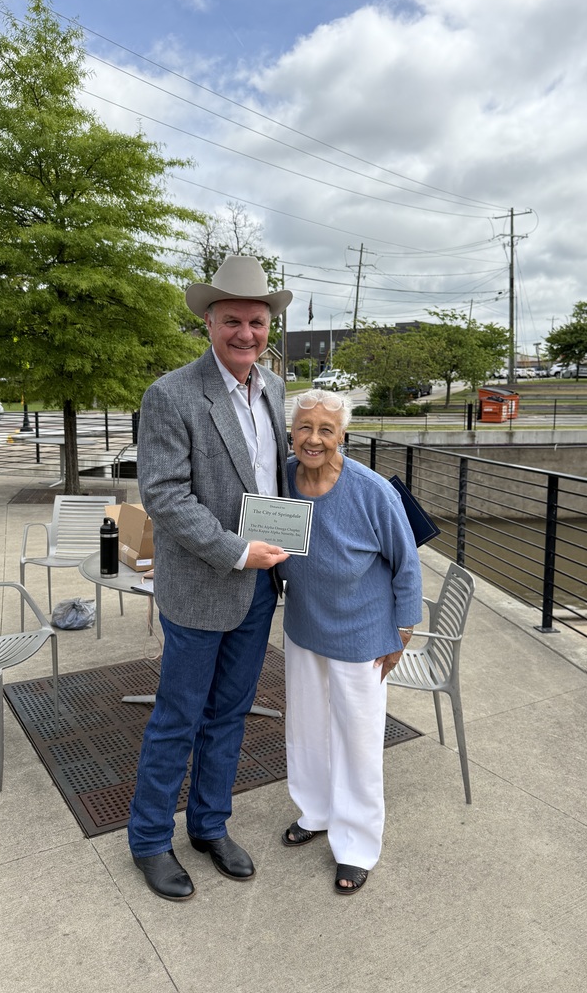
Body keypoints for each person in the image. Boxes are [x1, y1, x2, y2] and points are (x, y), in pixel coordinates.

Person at [127, 255, 292, 901]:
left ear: (268, 325)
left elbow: (279, 479)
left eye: (256, 321)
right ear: (208, 321)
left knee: (230, 714)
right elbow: (165, 499)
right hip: (201, 585)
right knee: (178, 716)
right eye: (233, 321)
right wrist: (236, 551)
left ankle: (209, 825)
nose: (246, 333)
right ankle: (148, 840)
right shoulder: (170, 395)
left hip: (259, 588)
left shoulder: (276, 390)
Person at [279, 390, 423, 895]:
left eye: (325, 429)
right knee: (307, 729)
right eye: (304, 427)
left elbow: (407, 564)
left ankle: (357, 844)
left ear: (343, 435)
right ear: (291, 432)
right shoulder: (282, 479)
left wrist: (402, 629)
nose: (313, 438)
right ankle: (316, 811)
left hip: (362, 635)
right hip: (303, 627)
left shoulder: (370, 489)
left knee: (358, 742)